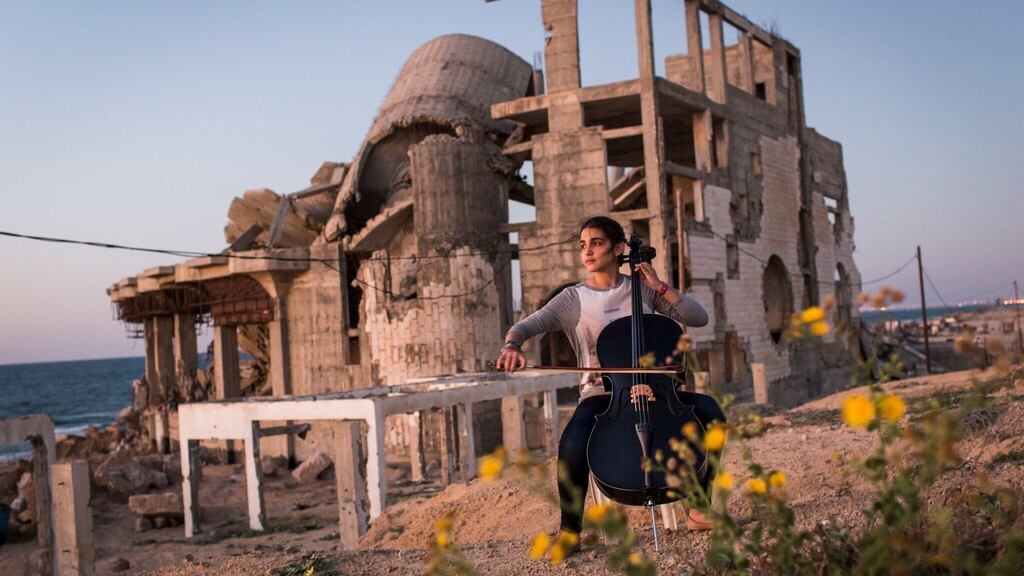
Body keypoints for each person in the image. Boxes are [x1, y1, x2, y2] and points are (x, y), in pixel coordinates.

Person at [495, 215, 714, 551]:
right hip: (602, 394)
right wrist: (512, 345)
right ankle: (570, 532)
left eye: (596, 243)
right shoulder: (573, 299)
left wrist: (660, 287)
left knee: (712, 413)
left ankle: (699, 508)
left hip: (656, 389)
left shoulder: (642, 291)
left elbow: (698, 318)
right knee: (571, 444)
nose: (588, 251)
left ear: (619, 248)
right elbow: (525, 327)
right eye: (583, 245)